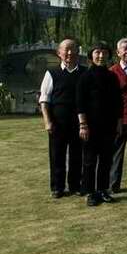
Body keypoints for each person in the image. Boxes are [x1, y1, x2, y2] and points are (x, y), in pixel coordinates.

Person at [76, 42, 122, 206]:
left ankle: (103, 189)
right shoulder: (85, 77)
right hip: (90, 126)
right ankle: (90, 192)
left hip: (109, 125)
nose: (101, 56)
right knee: (89, 161)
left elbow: (118, 102)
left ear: (109, 55)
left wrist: (119, 122)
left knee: (106, 160)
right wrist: (83, 125)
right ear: (91, 55)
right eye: (97, 52)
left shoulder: (112, 77)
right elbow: (80, 103)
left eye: (104, 53)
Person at [39, 38, 86, 198]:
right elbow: (44, 100)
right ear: (59, 53)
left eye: (73, 49)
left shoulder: (85, 72)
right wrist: (47, 121)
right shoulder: (52, 73)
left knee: (77, 155)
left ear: (78, 52)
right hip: (58, 123)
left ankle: (75, 185)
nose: (70, 53)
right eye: (66, 49)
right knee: (57, 155)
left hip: (79, 122)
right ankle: (57, 187)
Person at [109, 38, 127, 193]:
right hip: (118, 119)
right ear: (118, 52)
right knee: (116, 154)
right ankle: (113, 185)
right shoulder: (111, 72)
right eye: (124, 49)